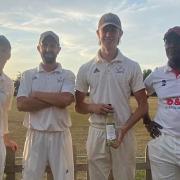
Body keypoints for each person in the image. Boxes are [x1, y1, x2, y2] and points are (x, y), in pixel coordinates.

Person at [75, 13, 147, 180]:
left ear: (120, 34)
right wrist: (93, 107)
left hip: (123, 130)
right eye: (104, 30)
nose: (108, 34)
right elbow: (78, 106)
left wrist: (124, 128)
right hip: (97, 131)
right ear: (98, 33)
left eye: (113, 30)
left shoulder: (132, 66)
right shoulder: (85, 68)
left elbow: (143, 105)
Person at [17, 31, 75, 180]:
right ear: (38, 48)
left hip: (60, 134)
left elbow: (65, 101)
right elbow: (22, 104)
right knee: (30, 177)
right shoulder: (28, 75)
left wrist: (36, 94)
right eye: (45, 45)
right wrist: (55, 99)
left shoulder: (67, 75)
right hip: (35, 134)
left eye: (52, 45)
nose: (49, 49)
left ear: (58, 49)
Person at [143, 26, 180, 180]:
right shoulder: (157, 74)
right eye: (167, 42)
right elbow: (141, 95)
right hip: (164, 142)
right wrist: (147, 122)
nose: (170, 45)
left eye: (175, 41)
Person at [0, 35, 18, 180]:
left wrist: (6, 140)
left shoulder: (8, 83)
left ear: (9, 54)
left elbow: (4, 114)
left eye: (3, 50)